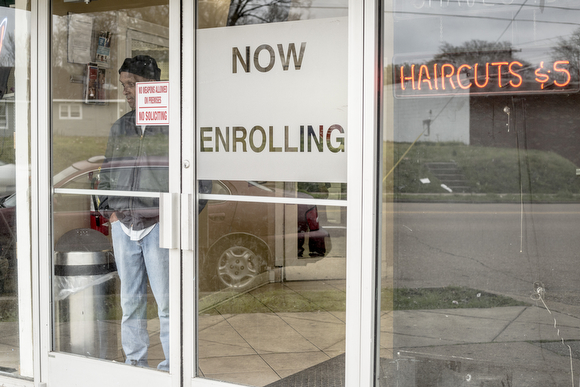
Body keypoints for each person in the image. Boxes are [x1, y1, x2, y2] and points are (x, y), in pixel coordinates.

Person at [97, 55, 169, 371]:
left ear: (152, 85)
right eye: (125, 85)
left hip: (158, 225)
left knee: (167, 303)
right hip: (124, 224)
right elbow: (107, 172)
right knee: (131, 302)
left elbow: (197, 179)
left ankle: (174, 367)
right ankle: (135, 363)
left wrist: (175, 216)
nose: (127, 90)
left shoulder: (172, 125)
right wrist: (109, 210)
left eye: (133, 84)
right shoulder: (121, 127)